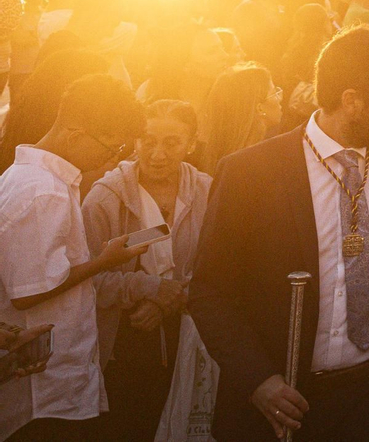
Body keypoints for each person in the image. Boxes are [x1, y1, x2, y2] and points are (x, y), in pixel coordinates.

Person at [189, 26, 369, 442]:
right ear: (351, 101)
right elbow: (209, 292)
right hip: (282, 403)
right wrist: (259, 381)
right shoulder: (251, 171)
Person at [0, 74, 148, 442]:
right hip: (44, 384)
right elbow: (28, 291)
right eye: (110, 148)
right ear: (75, 133)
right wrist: (105, 261)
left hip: (52, 375)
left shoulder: (36, 179)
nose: (110, 159)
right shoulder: (42, 191)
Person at [81, 99, 213, 442]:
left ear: (191, 143)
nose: (157, 153)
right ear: (134, 141)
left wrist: (168, 300)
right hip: (121, 345)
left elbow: (220, 267)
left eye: (172, 142)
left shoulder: (206, 191)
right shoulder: (105, 199)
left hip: (192, 335)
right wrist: (147, 289)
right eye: (147, 140)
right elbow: (86, 280)